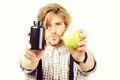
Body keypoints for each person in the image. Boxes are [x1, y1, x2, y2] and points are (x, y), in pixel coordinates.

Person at [20, 3, 96, 80]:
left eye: (58, 24)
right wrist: (31, 60)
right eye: (47, 25)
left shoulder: (77, 49)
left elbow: (90, 67)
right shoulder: (35, 50)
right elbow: (26, 66)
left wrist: (81, 58)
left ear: (65, 26)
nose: (53, 31)